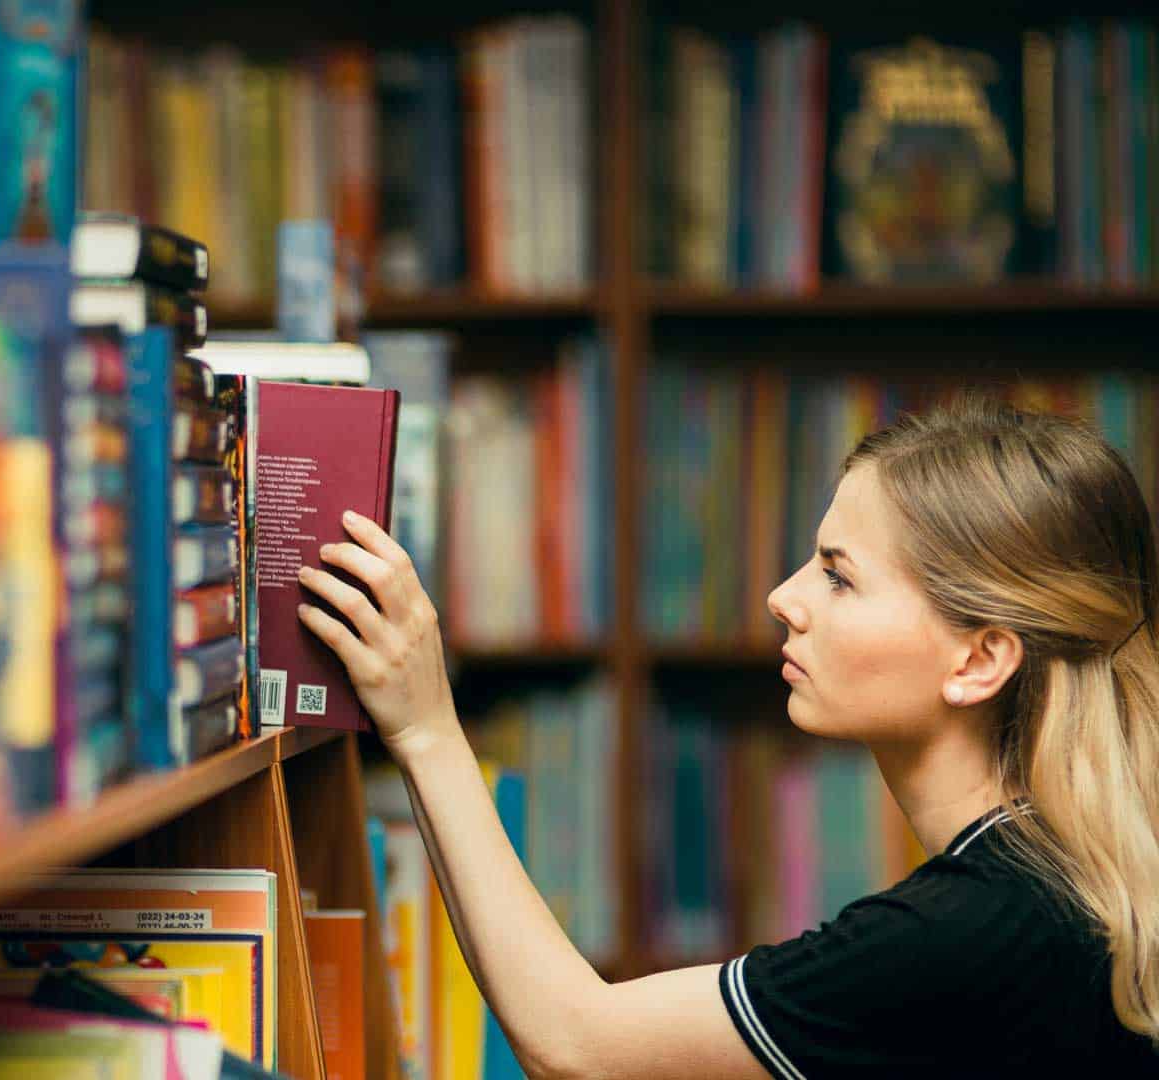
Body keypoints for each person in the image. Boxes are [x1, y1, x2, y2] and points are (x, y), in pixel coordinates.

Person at [298, 397, 1159, 1077]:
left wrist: (425, 726)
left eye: (837, 576)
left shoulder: (971, 928)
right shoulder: (1045, 885)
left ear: (978, 661)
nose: (785, 597)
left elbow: (577, 1046)